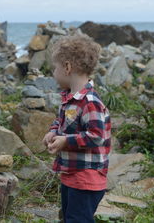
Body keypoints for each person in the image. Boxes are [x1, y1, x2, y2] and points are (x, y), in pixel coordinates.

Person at [42, 33, 111, 223]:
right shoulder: (69, 99)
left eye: (55, 68)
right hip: (72, 173)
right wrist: (53, 132)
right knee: (70, 217)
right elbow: (62, 122)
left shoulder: (90, 102)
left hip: (86, 177)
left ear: (67, 67)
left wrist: (66, 141)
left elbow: (96, 135)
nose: (53, 73)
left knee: (78, 219)